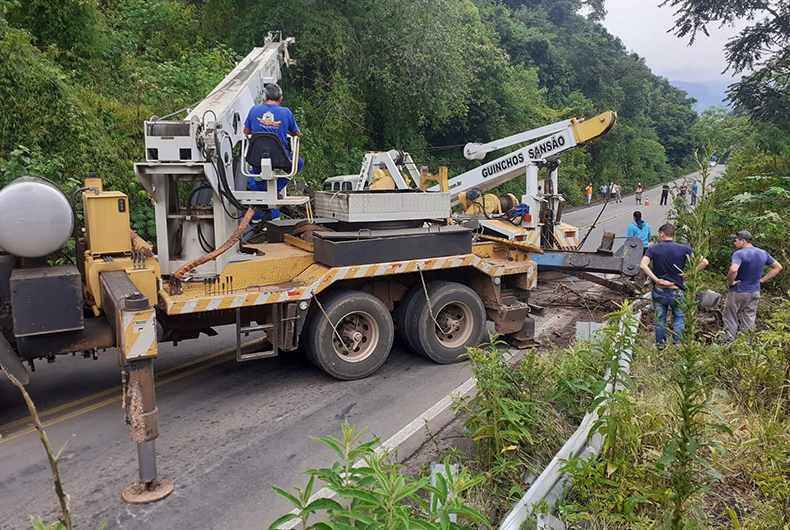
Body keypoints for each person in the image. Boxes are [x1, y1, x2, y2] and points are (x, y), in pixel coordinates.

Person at [640, 223, 709, 348]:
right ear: (673, 235)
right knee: (679, 317)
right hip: (676, 290)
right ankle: (678, 345)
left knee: (660, 319)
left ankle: (660, 345)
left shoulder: (653, 249)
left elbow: (642, 265)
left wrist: (657, 280)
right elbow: (704, 262)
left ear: (662, 233)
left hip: (659, 290)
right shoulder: (684, 249)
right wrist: (689, 273)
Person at [243, 83, 304, 224]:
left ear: (265, 97)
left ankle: (256, 221)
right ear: (280, 99)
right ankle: (276, 189)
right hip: (279, 158)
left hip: (255, 157)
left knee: (256, 177)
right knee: (298, 163)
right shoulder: (286, 112)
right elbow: (297, 133)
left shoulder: (254, 110)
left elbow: (246, 132)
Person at [723, 230, 783, 340]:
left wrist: (731, 282)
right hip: (754, 292)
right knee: (749, 319)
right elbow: (778, 267)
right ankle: (746, 345)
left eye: (735, 240)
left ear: (743, 241)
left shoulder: (739, 254)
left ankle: (728, 343)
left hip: (738, 291)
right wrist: (762, 280)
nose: (734, 243)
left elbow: (733, 269)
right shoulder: (763, 253)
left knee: (730, 317)